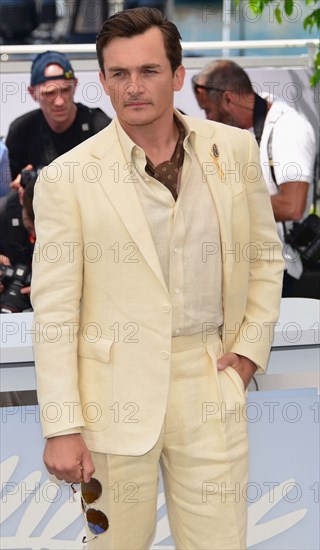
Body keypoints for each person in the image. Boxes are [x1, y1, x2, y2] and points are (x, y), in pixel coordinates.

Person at [31, 8, 284, 550]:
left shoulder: (233, 150)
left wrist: (246, 355)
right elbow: (53, 312)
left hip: (209, 383)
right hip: (110, 402)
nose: (133, 87)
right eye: (118, 74)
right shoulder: (67, 178)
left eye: (148, 71)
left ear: (176, 76)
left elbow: (265, 257)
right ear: (102, 81)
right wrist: (60, 425)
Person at [192, 59, 317, 297]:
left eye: (209, 110)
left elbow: (292, 206)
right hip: (241, 267)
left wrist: (219, 206)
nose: (207, 118)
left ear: (228, 99)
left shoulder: (288, 128)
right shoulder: (242, 129)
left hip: (273, 271)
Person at [6, 50, 112, 180]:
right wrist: (20, 190)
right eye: (50, 93)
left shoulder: (100, 128)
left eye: (65, 90)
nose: (59, 101)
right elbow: (10, 184)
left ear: (74, 86)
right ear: (32, 93)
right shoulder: (21, 131)